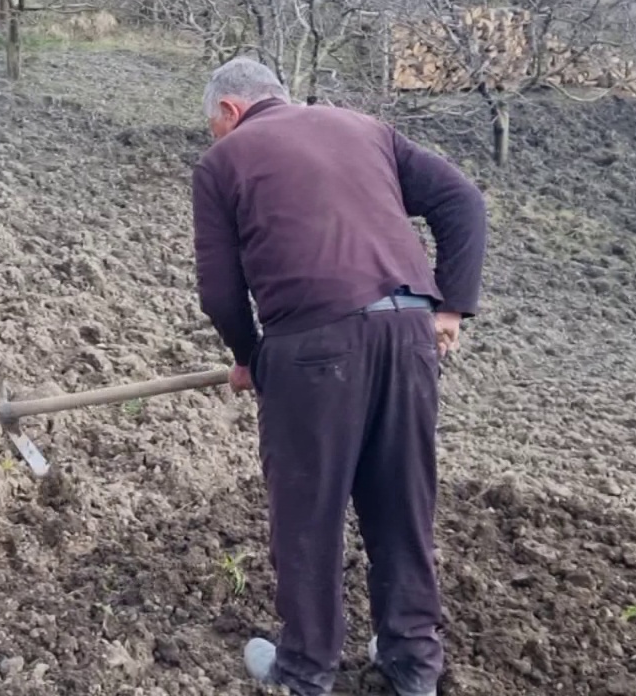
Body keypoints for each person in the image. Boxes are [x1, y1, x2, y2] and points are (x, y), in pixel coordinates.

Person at [190, 57, 488, 696]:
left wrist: (250, 357)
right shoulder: (365, 128)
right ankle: (412, 663)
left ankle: (306, 669)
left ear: (231, 112)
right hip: (409, 332)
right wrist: (452, 306)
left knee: (309, 513)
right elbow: (462, 200)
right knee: (402, 504)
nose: (217, 136)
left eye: (215, 125)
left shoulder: (225, 161)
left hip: (312, 346)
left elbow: (218, 293)